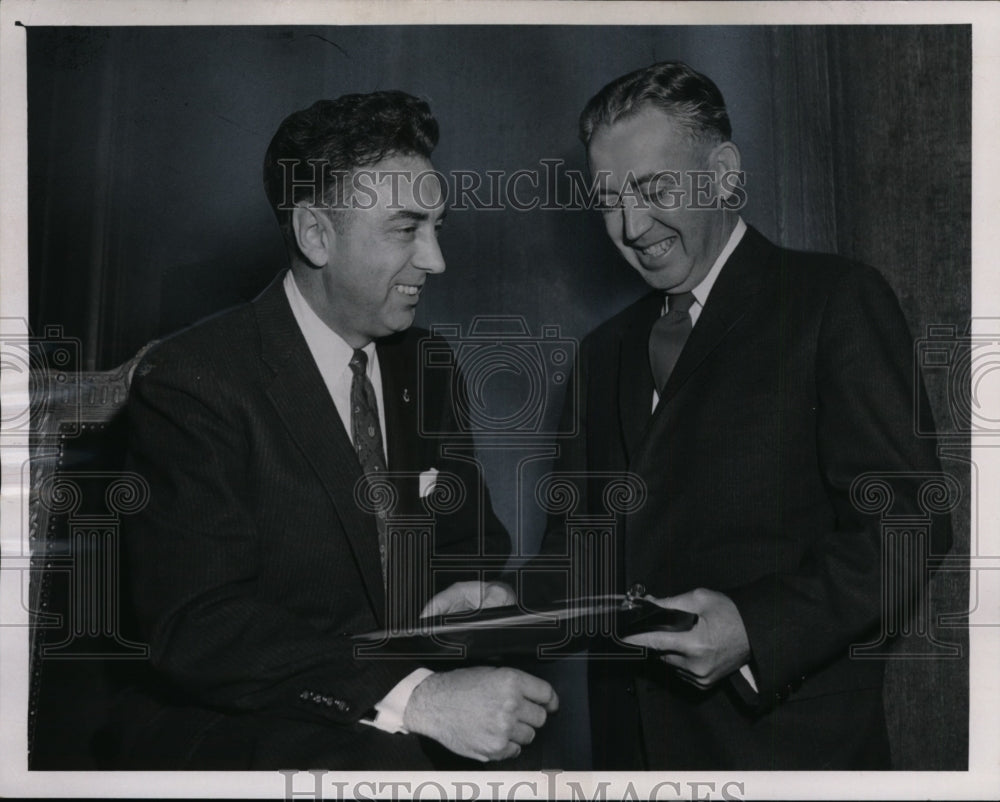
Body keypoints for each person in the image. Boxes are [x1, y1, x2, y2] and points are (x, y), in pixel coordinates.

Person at [115, 91, 557, 769]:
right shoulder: (194, 380)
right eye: (407, 229)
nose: (436, 261)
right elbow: (198, 626)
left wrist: (479, 595)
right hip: (256, 734)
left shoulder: (428, 365)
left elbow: (471, 544)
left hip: (411, 726)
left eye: (438, 227)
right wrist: (418, 699)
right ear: (315, 234)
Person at [531, 61, 951, 769]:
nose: (632, 226)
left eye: (654, 187)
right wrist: (501, 599)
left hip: (790, 755)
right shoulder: (602, 354)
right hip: (633, 761)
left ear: (724, 173)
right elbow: (578, 556)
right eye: (608, 199)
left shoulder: (834, 302)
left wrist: (757, 628)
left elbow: (910, 522)